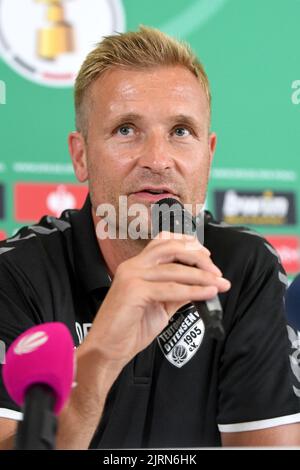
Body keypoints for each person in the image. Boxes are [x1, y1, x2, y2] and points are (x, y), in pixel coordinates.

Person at [0, 26, 299, 449]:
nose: (158, 160)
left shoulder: (244, 267)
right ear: (81, 155)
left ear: (208, 154)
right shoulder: (15, 274)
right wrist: (101, 354)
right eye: (126, 129)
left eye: (180, 131)